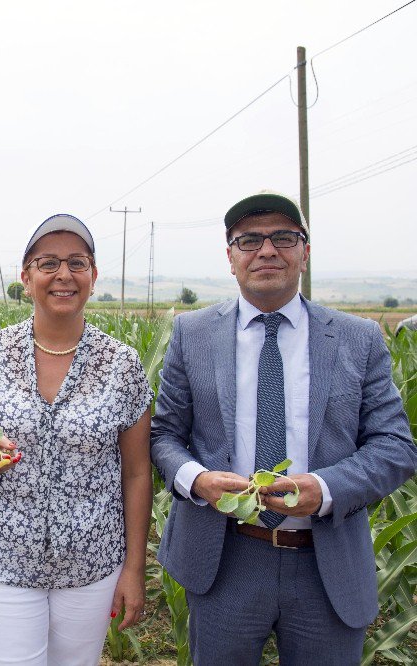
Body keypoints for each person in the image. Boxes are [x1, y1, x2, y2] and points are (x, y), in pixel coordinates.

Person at [151, 190, 417, 665]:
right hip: (224, 557)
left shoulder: (357, 339)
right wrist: (197, 480)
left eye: (283, 237)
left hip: (326, 559)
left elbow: (395, 446)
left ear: (305, 252)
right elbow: (165, 435)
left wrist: (327, 488)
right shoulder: (193, 334)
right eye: (249, 239)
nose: (267, 250)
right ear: (230, 257)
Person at [0, 214, 153, 666]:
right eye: (48, 263)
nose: (63, 275)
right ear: (26, 278)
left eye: (77, 263)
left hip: (93, 563)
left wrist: (134, 569)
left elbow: (138, 472)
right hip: (4, 559)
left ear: (93, 277)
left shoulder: (122, 364)